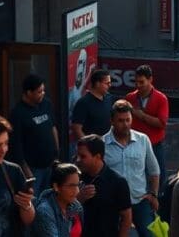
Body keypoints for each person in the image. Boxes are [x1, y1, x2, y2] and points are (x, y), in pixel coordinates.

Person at [103, 100, 160, 237]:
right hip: (113, 205)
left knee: (149, 234)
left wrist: (153, 194)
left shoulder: (143, 140)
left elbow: (154, 170)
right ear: (112, 121)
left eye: (128, 120)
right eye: (121, 121)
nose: (125, 124)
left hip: (139, 201)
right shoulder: (102, 143)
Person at [8, 73, 59, 193]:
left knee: (49, 198)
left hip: (50, 164)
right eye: (39, 92)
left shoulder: (46, 104)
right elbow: (16, 145)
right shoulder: (18, 113)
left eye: (43, 90)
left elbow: (53, 128)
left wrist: (56, 153)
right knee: (34, 200)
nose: (43, 94)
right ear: (28, 93)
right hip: (33, 168)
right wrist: (26, 171)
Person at [76, 134, 132, 237]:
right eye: (77, 155)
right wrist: (78, 199)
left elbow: (126, 218)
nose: (78, 160)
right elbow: (62, 210)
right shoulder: (75, 179)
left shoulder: (117, 182)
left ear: (98, 157)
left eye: (83, 156)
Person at [125, 65, 170, 193]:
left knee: (159, 176)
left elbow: (162, 123)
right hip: (135, 144)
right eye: (136, 82)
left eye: (142, 82)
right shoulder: (130, 97)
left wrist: (141, 115)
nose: (138, 85)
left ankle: (157, 201)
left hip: (155, 145)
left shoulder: (161, 98)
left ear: (150, 80)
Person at [31, 162, 84, 237]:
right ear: (56, 187)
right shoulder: (45, 211)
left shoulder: (76, 205)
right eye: (71, 186)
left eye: (77, 185)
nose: (77, 191)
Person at [71, 69, 114, 140]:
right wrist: (87, 145)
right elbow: (76, 128)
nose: (110, 85)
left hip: (108, 145)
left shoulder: (109, 98)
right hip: (92, 147)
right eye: (107, 83)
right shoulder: (83, 103)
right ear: (97, 84)